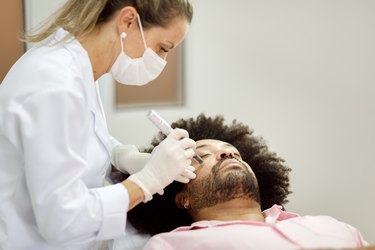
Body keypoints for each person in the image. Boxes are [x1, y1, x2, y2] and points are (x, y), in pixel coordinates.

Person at [0, 1, 197, 249]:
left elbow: (79, 139)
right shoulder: (54, 84)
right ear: (127, 21)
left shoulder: (80, 71)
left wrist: (126, 157)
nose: (161, 60)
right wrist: (146, 182)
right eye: (162, 48)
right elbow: (62, 219)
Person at [126, 114, 369, 250]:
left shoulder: (329, 225)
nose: (227, 154)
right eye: (204, 155)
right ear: (182, 198)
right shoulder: (171, 245)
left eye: (235, 153)